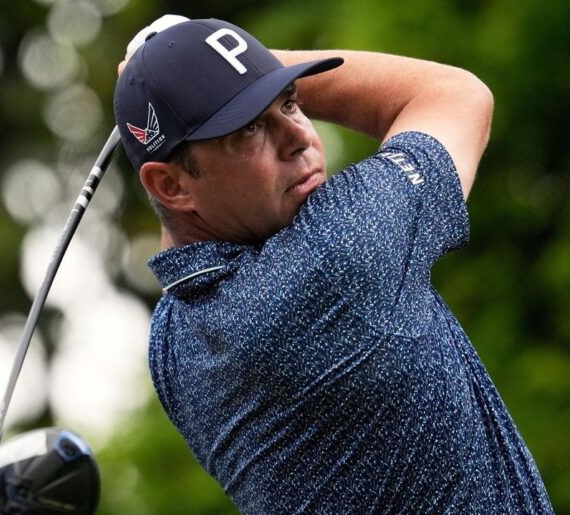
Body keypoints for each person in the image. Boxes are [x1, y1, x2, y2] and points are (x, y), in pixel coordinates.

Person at [113, 16, 553, 514]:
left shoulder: (171, 342)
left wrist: (217, 71)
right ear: (171, 185)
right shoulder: (335, 259)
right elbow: (456, 94)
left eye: (290, 102)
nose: (298, 137)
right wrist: (256, 64)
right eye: (250, 128)